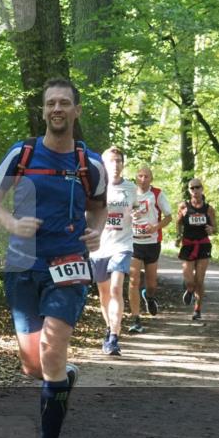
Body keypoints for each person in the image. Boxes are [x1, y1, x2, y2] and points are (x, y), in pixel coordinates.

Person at [0, 78, 107, 438]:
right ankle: (62, 377)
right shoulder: (22, 154)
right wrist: (12, 223)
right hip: (22, 264)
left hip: (68, 263)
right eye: (50, 102)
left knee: (52, 350)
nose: (57, 109)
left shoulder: (89, 163)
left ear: (76, 111)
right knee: (33, 365)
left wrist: (96, 233)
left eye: (65, 103)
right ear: (43, 110)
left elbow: (99, 208)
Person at [91, 146, 139, 355]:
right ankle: (110, 327)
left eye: (119, 160)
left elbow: (135, 208)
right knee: (104, 294)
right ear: (104, 164)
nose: (116, 165)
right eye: (112, 161)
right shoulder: (95, 187)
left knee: (116, 289)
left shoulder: (130, 188)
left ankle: (114, 338)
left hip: (122, 244)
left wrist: (136, 215)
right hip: (99, 247)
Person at [129, 165, 173, 326]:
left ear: (151, 179)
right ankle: (135, 318)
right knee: (133, 280)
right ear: (136, 177)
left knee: (152, 283)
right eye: (140, 176)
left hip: (152, 242)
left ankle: (149, 296)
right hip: (133, 241)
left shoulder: (157, 194)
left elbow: (169, 217)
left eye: (146, 176)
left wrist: (155, 227)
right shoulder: (129, 192)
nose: (143, 179)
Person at [176, 177, 217, 321]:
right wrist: (178, 236)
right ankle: (189, 289)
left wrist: (211, 229)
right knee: (189, 280)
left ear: (202, 189)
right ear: (189, 190)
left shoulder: (208, 208)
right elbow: (178, 223)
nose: (195, 190)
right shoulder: (183, 206)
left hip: (203, 244)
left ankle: (197, 309)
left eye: (197, 187)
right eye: (192, 188)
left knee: (199, 280)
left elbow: (216, 228)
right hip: (188, 245)